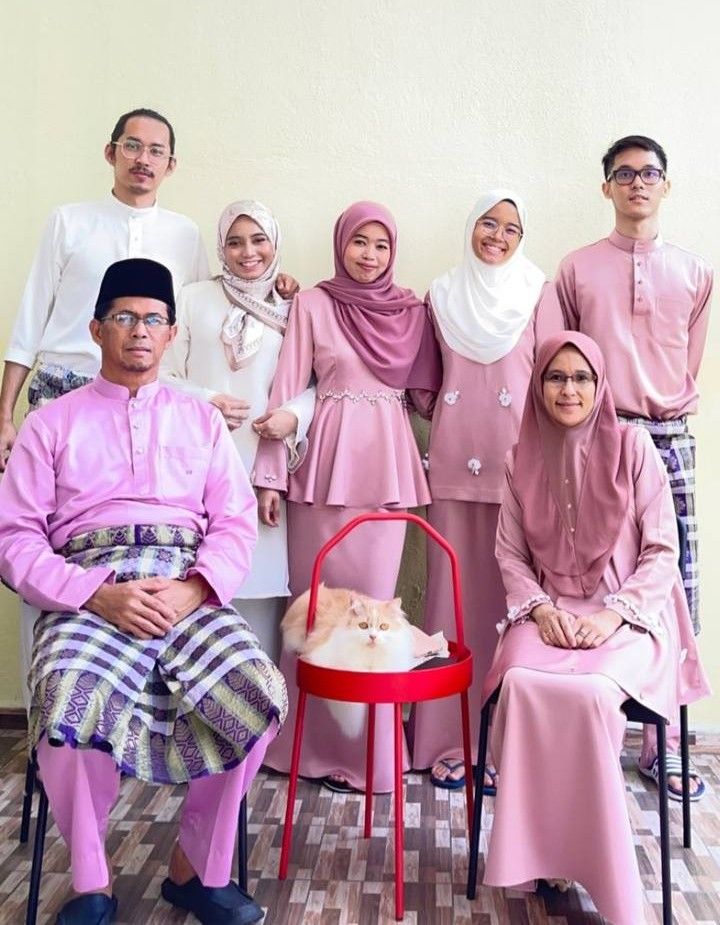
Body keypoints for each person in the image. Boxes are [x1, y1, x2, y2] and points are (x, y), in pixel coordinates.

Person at [0, 258, 287, 925]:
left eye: (152, 319)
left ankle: (197, 871)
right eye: (124, 317)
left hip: (184, 589)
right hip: (88, 594)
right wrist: (97, 593)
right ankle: (92, 884)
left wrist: (196, 589)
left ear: (170, 333)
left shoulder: (201, 420)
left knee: (257, 690)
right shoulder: (51, 423)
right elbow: (14, 540)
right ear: (97, 329)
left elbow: (235, 523)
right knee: (69, 698)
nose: (138, 331)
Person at [480, 332, 709, 925]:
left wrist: (613, 614)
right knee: (525, 684)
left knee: (590, 695)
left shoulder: (633, 447)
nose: (569, 389)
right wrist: (540, 609)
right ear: (539, 385)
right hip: (548, 610)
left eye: (582, 378)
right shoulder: (517, 458)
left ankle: (597, 866)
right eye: (556, 377)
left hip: (631, 614)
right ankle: (541, 860)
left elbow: (662, 551)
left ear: (600, 383)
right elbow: (509, 555)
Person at [0, 107, 209, 707]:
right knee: (38, 552)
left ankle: (136, 713)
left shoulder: (186, 234)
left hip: (142, 400)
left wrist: (278, 292)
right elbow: (29, 316)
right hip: (60, 395)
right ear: (110, 151)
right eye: (132, 146)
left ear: (172, 164)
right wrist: (6, 412)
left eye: (157, 151)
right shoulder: (69, 222)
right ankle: (51, 710)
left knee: (135, 551)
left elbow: (192, 317)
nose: (144, 159)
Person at [253, 201, 439, 793]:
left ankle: (372, 759)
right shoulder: (311, 303)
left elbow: (435, 389)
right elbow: (287, 390)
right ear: (341, 244)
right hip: (323, 468)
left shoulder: (411, 310)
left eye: (381, 245)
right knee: (317, 610)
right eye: (359, 242)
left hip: (387, 465)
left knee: (376, 612)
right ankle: (303, 751)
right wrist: (269, 475)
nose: (369, 255)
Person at [409, 189, 562, 791]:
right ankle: (446, 740)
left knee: (515, 605)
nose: (498, 236)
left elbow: (554, 380)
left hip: (523, 470)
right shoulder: (441, 296)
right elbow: (423, 386)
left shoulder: (538, 293)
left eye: (511, 228)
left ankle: (506, 744)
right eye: (488, 224)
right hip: (450, 466)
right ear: (470, 227)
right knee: (451, 603)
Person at [554, 135, 713, 638]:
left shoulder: (697, 272)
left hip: (670, 438)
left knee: (675, 572)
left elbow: (688, 359)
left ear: (666, 185)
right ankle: (602, 701)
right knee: (600, 577)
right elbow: (568, 362)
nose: (637, 183)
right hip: (600, 438)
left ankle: (670, 702)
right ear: (607, 188)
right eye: (624, 174)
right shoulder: (575, 268)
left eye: (648, 173)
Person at [162, 200, 314, 661]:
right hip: (197, 463)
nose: (248, 252)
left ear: (274, 244)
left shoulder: (295, 306)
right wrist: (206, 398)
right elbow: (163, 376)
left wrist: (293, 415)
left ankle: (258, 719)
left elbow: (315, 382)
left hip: (263, 467)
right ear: (220, 248)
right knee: (199, 587)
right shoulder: (192, 297)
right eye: (235, 241)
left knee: (258, 591)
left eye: (259, 239)